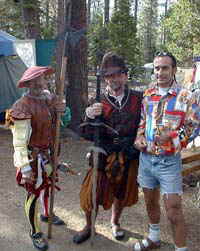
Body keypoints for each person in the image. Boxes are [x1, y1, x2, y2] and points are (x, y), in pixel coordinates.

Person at [73, 51, 143, 244]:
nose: (114, 79)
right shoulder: (97, 101)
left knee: (121, 192)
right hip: (103, 154)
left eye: (117, 74)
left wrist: (134, 145)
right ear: (105, 79)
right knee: (90, 193)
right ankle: (89, 226)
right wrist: (88, 116)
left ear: (125, 75)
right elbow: (85, 133)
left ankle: (115, 222)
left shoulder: (139, 98)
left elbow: (145, 125)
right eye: (109, 76)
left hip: (128, 153)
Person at [133, 52, 199, 251]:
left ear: (174, 70)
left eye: (164, 68)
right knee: (151, 202)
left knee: (174, 210)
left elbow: (193, 125)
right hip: (146, 158)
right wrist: (139, 138)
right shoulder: (148, 94)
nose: (160, 72)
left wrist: (173, 137)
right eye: (157, 68)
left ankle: (181, 248)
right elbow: (142, 122)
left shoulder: (186, 96)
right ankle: (154, 238)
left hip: (169, 161)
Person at [7, 66, 65, 251]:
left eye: (42, 79)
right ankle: (35, 231)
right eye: (35, 80)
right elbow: (19, 141)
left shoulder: (48, 98)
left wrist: (62, 109)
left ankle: (47, 214)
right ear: (28, 83)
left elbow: (58, 122)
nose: (40, 83)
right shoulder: (21, 106)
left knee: (47, 186)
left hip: (47, 154)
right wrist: (24, 167)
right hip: (32, 158)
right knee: (33, 192)